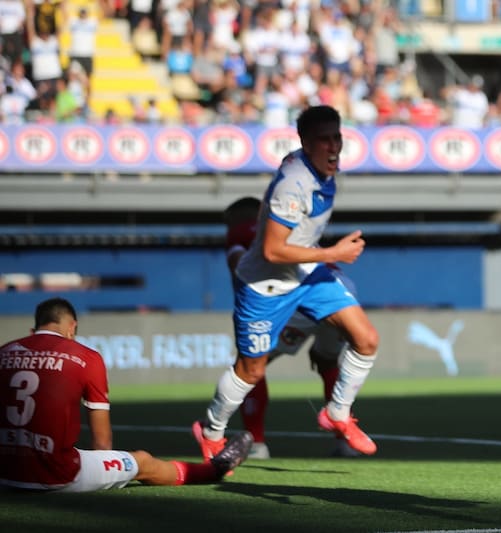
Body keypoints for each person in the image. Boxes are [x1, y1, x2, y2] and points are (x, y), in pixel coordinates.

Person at [193, 105, 380, 462]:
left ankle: (338, 412)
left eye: (336, 137)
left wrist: (324, 258)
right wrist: (333, 254)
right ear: (305, 144)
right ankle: (212, 430)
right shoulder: (294, 186)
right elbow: (273, 250)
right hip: (266, 286)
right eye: (323, 140)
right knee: (251, 371)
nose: (333, 146)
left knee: (366, 339)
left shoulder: (319, 169)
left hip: (306, 274)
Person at [0, 297, 254, 492]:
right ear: (72, 327)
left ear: (34, 329)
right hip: (54, 475)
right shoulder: (85, 356)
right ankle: (213, 469)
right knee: (142, 461)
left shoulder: (5, 350)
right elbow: (102, 443)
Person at [222, 196, 360, 459]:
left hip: (300, 296)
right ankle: (345, 442)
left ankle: (257, 444)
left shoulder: (239, 231)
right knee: (328, 361)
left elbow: (239, 266)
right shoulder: (286, 223)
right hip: (341, 288)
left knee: (251, 364)